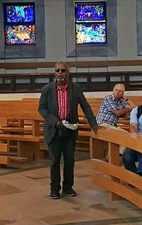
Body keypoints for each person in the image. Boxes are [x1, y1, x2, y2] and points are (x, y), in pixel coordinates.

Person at [38, 61, 98, 199]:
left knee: (70, 160)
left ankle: (67, 187)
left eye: (63, 71)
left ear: (68, 73)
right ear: (55, 72)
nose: (60, 73)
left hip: (70, 129)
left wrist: (93, 124)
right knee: (54, 161)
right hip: (54, 130)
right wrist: (55, 121)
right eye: (58, 70)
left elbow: (86, 106)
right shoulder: (47, 89)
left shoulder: (75, 88)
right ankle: (54, 189)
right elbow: (41, 108)